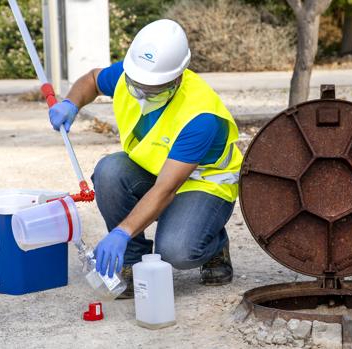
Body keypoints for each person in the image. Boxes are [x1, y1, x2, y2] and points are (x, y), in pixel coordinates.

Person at [48, 19, 242, 298]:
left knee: (177, 251)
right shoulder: (130, 75)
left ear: (177, 78)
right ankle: (132, 259)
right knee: (109, 171)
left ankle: (214, 243)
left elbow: (166, 189)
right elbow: (92, 80)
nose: (140, 93)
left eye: (152, 88)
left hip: (204, 184)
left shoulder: (200, 117)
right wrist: (71, 103)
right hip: (159, 170)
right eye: (136, 84)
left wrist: (122, 232)